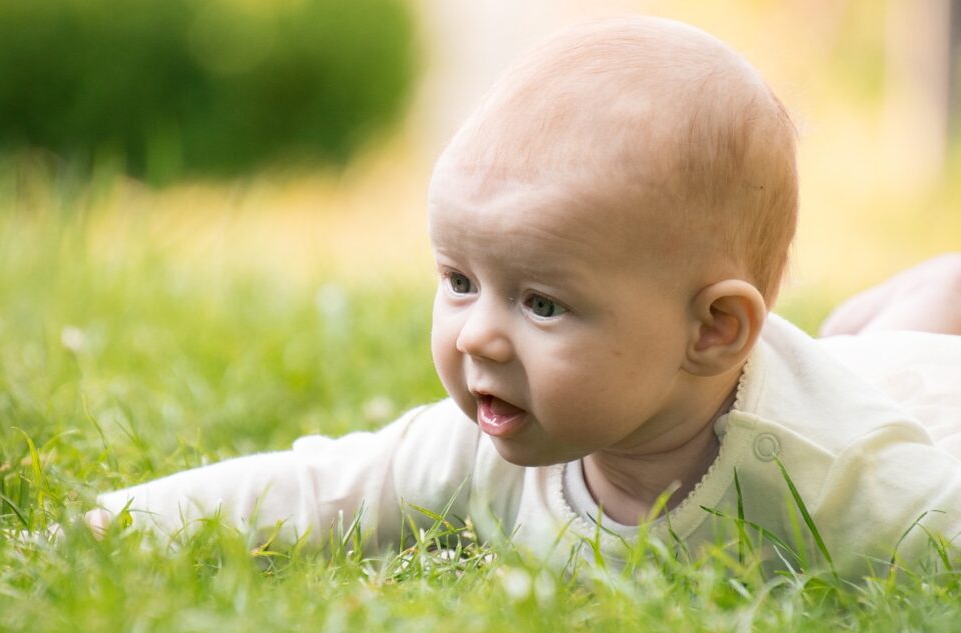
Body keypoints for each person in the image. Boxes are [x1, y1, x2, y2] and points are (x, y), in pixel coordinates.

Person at [87, 17, 961, 577]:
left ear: (712, 331)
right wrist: (110, 526)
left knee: (908, 343)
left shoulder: (854, 483)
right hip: (852, 367)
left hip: (922, 396)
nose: (479, 340)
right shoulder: (482, 437)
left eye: (541, 304)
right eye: (460, 283)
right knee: (862, 340)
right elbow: (324, 488)